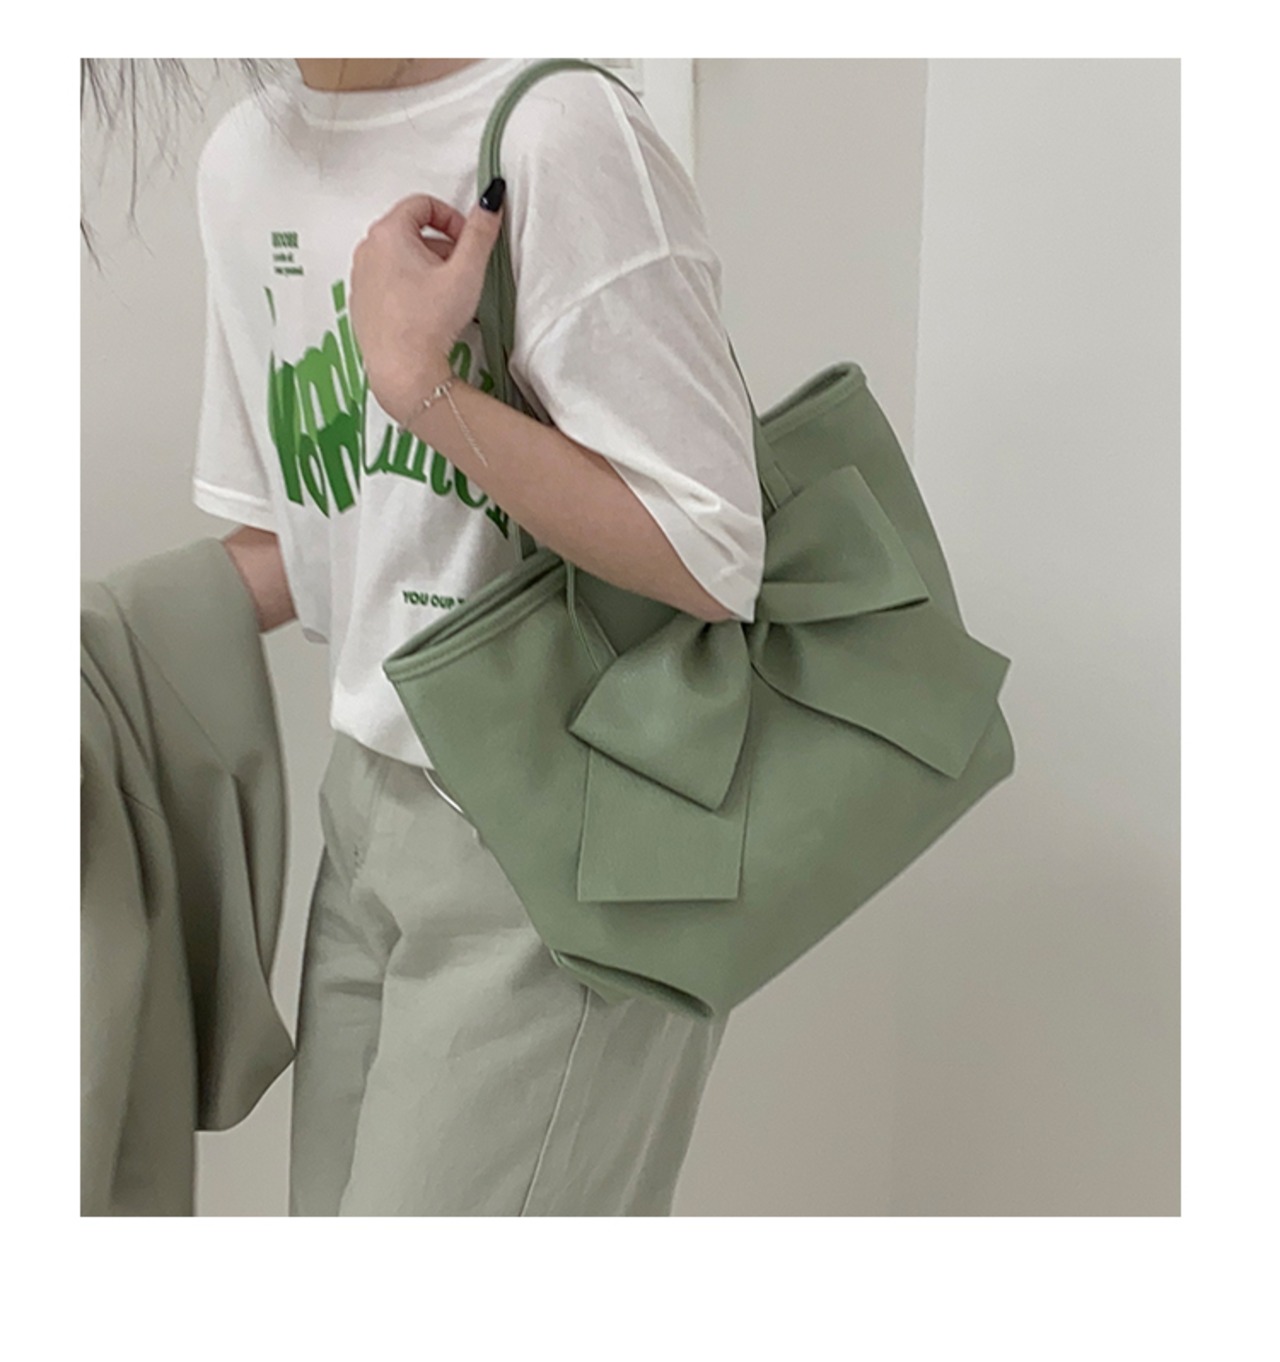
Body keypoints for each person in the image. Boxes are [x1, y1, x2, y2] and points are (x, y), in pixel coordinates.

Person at [196, 57, 766, 1216]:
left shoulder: (554, 129)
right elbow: (320, 544)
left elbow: (711, 552)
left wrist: (421, 385)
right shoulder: (246, 162)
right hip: (363, 811)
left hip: (555, 820)